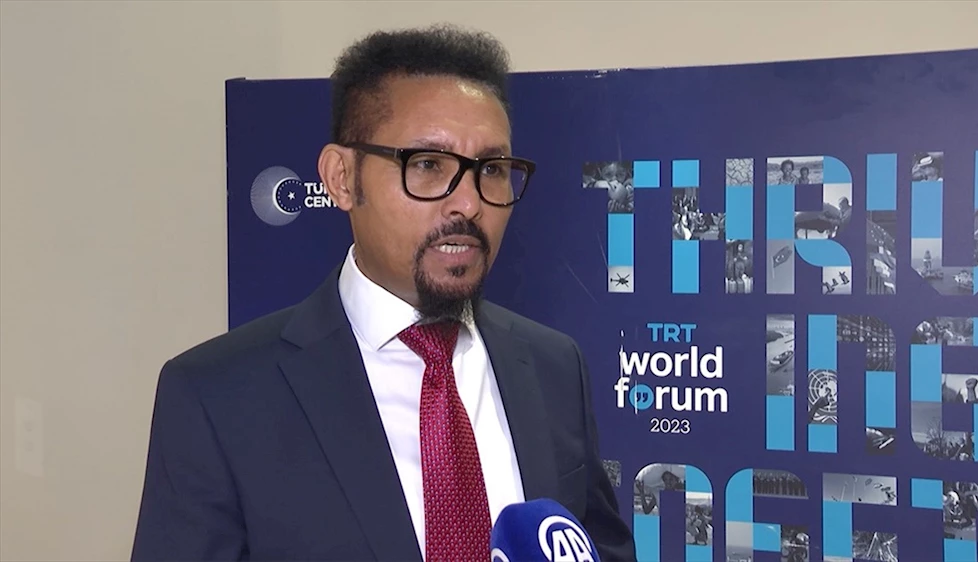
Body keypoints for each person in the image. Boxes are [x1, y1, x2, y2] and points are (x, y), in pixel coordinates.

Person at [131, 23, 636, 562]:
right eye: (427, 164)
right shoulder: (218, 397)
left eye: (491, 169)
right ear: (342, 178)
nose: (469, 203)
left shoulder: (555, 366)